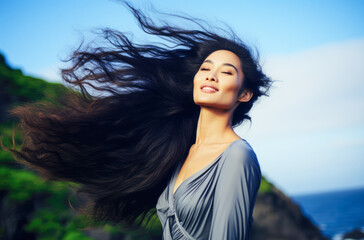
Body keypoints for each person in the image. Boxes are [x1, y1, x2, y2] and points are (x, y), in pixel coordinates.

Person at [1, 1, 272, 239]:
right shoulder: (183, 151)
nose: (211, 76)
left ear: (244, 93)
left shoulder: (236, 156)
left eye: (226, 72)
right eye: (205, 69)